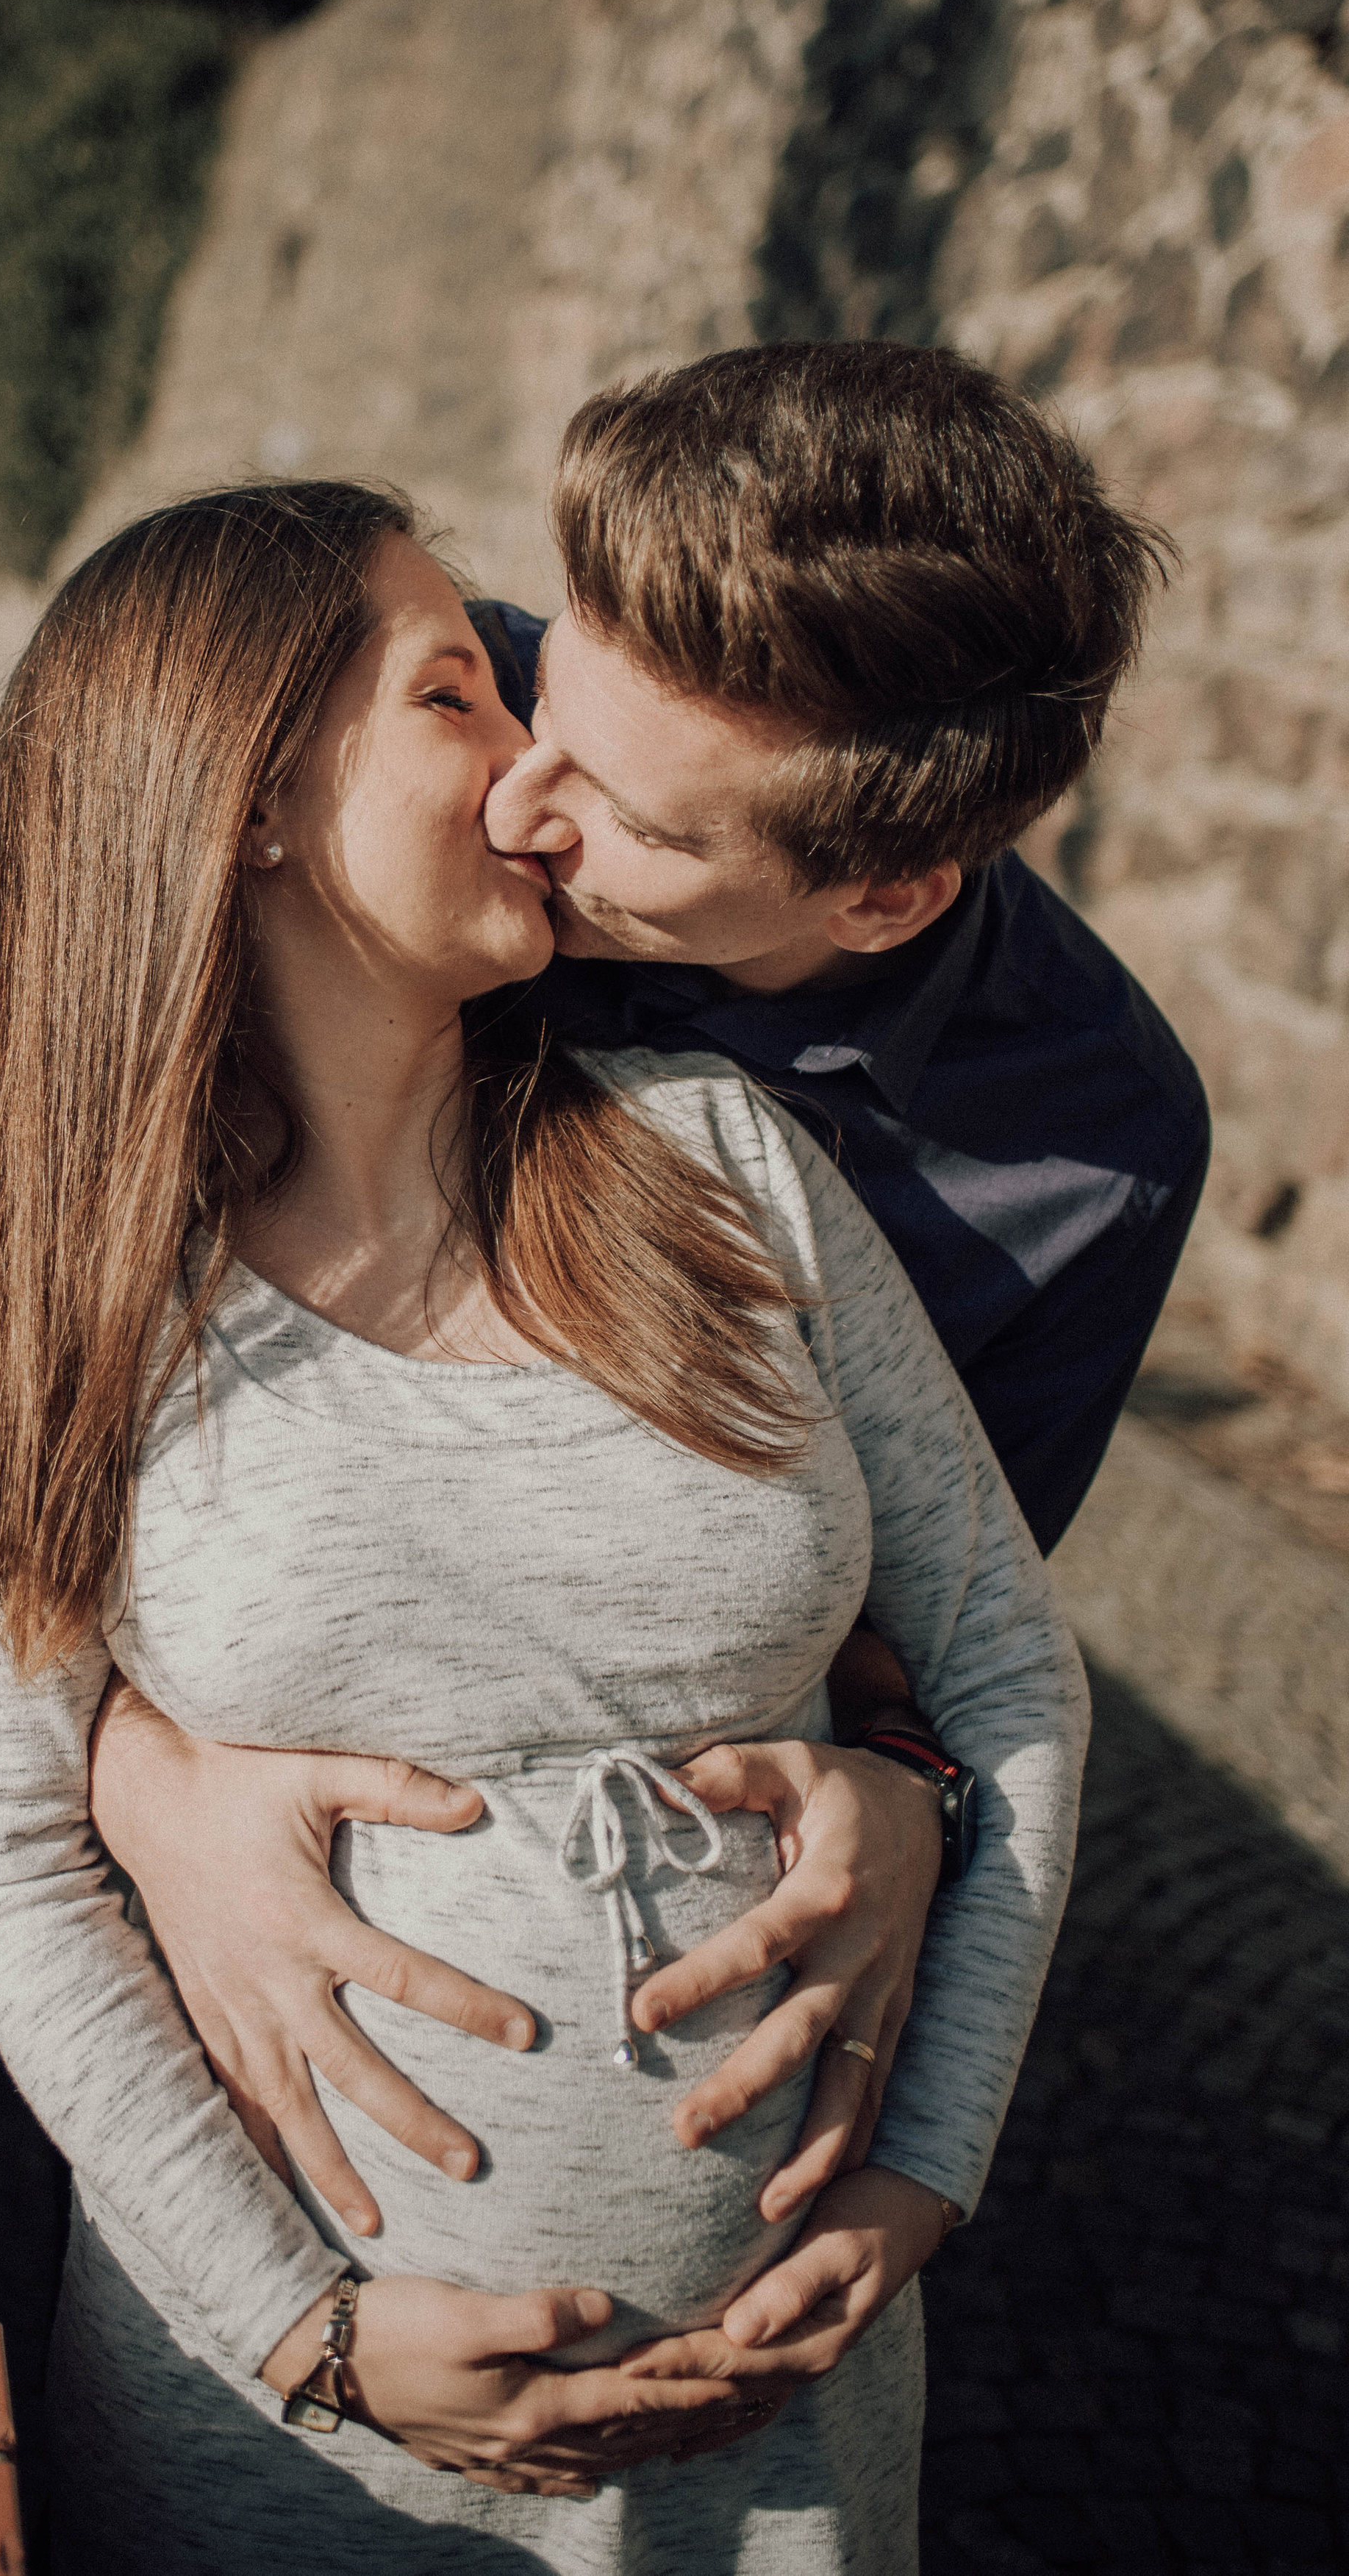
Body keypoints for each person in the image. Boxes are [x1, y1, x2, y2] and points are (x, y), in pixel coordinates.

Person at [0, 476, 1091, 2572]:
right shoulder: (50, 1273)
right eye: (457, 692)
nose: (535, 769)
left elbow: (1005, 1665)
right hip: (296, 2462)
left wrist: (922, 2173)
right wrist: (309, 2337)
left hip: (786, 2440)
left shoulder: (724, 1164)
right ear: (242, 791)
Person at [85, 343, 1208, 2313]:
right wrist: (135, 1770)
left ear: (884, 894)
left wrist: (909, 1788)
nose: (519, 795)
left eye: (625, 812)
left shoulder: (1080, 1147)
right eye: (543, 685)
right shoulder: (451, 733)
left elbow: (932, 1626)